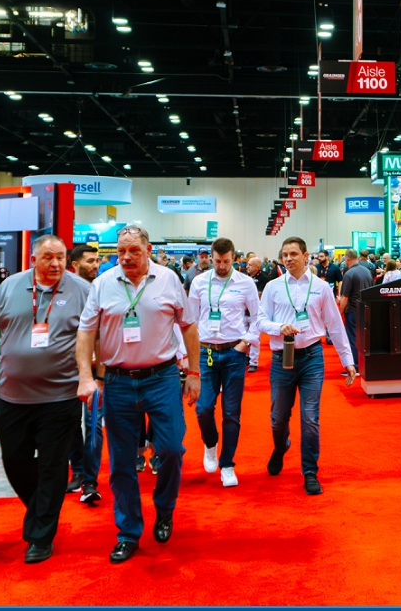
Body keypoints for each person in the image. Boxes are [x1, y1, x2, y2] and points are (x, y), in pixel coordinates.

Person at [0, 235, 92, 564]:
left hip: (61, 397)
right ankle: (42, 510)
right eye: (48, 257)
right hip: (12, 397)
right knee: (16, 463)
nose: (55, 264)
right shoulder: (9, 287)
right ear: (33, 259)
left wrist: (94, 378)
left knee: (51, 467)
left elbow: (97, 337)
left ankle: (40, 536)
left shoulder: (82, 290)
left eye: (61, 257)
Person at [76, 224, 200, 563]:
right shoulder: (102, 283)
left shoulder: (169, 279)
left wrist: (194, 373)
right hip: (117, 381)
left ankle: (164, 509)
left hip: (161, 378)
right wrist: (87, 377)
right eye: (121, 251)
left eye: (134, 251)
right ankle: (129, 531)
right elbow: (86, 332)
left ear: (148, 250)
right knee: (120, 465)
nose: (127, 257)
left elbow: (188, 325)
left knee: (172, 449)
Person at [257, 237, 356, 496]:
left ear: (305, 255)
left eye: (293, 254)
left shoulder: (321, 287)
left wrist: (348, 361)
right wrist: (279, 327)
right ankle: (280, 447)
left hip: (312, 358)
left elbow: (334, 324)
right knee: (278, 419)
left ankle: (309, 471)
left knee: (310, 418)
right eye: (284, 255)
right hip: (282, 358)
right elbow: (259, 321)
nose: (288, 259)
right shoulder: (273, 287)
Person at [188, 238, 260, 488]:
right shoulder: (199, 282)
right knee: (203, 408)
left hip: (233, 353)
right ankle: (210, 443)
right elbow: (191, 320)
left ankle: (227, 464)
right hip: (206, 353)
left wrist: (246, 342)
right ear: (210, 257)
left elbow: (258, 318)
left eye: (226, 261)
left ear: (234, 259)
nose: (221, 266)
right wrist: (188, 354)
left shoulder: (245, 283)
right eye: (217, 261)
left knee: (232, 413)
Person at [66, 244, 104, 501]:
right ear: (75, 264)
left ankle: (90, 480)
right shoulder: (64, 292)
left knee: (94, 426)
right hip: (68, 370)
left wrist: (100, 372)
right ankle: (77, 471)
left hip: (97, 369)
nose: (95, 265)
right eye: (90, 261)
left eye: (97, 261)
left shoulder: (101, 288)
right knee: (70, 425)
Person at [338, 249, 373, 371]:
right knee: (365, 338)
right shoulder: (367, 271)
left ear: (347, 258)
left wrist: (338, 314)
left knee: (353, 338)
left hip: (353, 311)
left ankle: (356, 366)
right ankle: (365, 364)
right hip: (366, 310)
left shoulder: (349, 274)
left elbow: (345, 297)